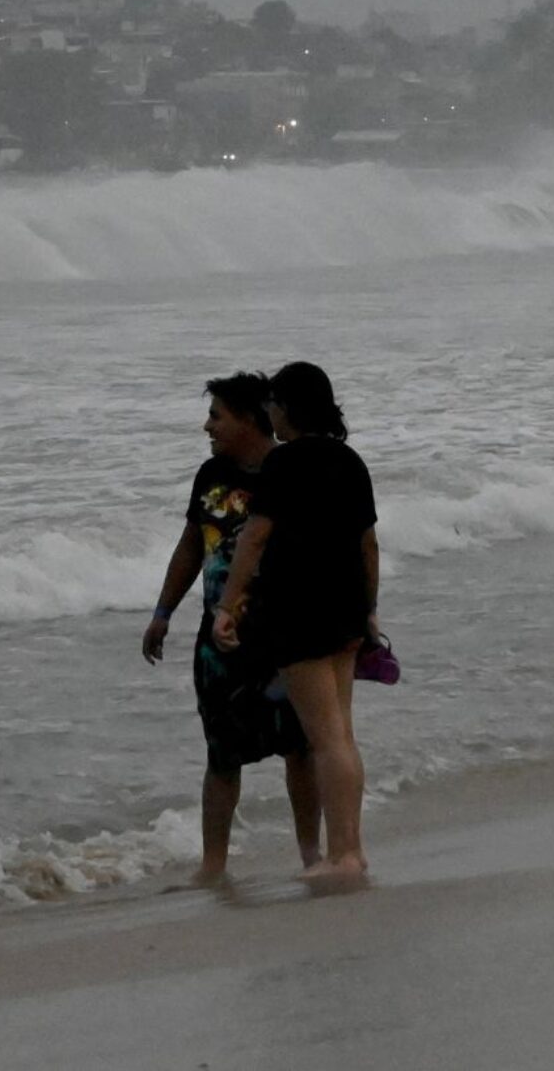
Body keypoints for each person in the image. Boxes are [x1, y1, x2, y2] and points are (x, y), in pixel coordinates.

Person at [141, 373, 319, 884]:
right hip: (218, 642)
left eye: (217, 415)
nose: (207, 426)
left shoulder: (289, 472)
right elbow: (192, 544)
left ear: (248, 418)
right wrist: (162, 612)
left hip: (286, 635)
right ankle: (213, 867)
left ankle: (312, 857)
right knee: (221, 753)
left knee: (300, 748)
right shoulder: (211, 475)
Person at [213, 362, 378, 890]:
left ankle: (344, 855)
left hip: (299, 613)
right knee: (342, 735)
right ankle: (352, 849)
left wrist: (228, 604)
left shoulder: (284, 464)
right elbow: (367, 544)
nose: (270, 413)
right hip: (346, 608)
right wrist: (369, 608)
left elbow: (254, 539)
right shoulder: (350, 461)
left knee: (325, 738)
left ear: (290, 407)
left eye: (275, 405)